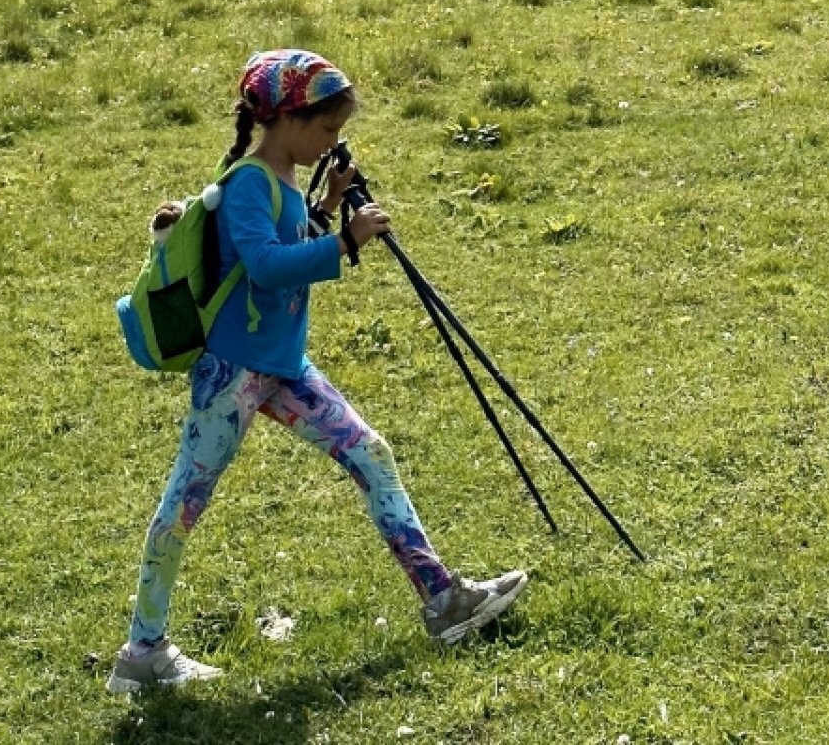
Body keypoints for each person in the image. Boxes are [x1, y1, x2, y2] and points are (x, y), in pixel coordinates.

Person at [106, 49, 528, 694]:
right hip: (235, 374)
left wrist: (326, 207)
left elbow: (287, 247)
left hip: (284, 367)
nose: (332, 141)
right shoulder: (249, 182)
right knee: (184, 502)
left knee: (371, 453)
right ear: (288, 121)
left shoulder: (279, 181)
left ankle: (444, 600)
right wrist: (345, 242)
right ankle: (143, 652)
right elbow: (270, 266)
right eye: (326, 130)